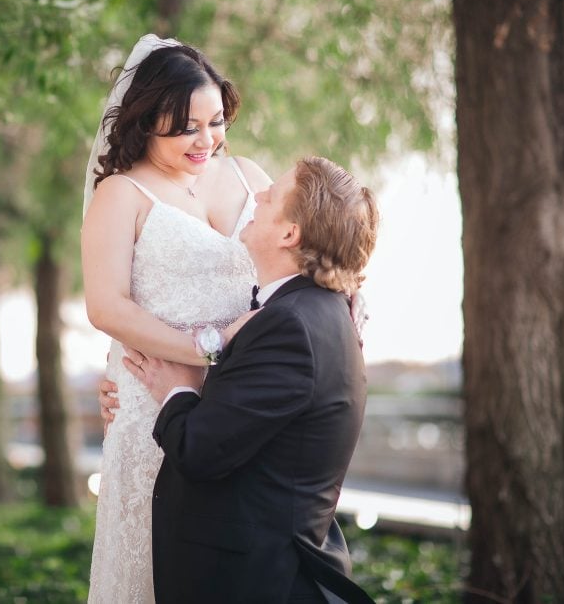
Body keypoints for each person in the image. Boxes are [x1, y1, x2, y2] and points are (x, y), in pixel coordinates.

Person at [122, 156, 378, 603]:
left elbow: (200, 451)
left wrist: (175, 388)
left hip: (252, 581)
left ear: (289, 234)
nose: (256, 197)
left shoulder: (291, 327)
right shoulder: (317, 313)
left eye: (271, 196)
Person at [81, 34, 271, 603]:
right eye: (186, 127)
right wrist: (211, 351)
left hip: (249, 401)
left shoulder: (250, 177)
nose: (206, 141)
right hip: (155, 408)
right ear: (146, 122)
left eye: (215, 122)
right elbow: (107, 306)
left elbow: (296, 266)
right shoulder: (122, 194)